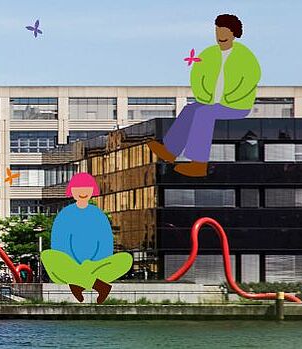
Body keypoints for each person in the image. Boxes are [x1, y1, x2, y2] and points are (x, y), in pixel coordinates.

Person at [147, 14, 260, 177]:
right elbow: (197, 76)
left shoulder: (244, 55)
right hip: (212, 102)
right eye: (217, 31)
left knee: (204, 114)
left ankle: (199, 163)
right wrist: (204, 96)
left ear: (234, 33)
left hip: (236, 105)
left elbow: (250, 79)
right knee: (190, 109)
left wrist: (230, 98)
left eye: (224, 31)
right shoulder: (209, 54)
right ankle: (170, 151)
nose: (220, 35)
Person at [41, 173, 133, 304]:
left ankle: (77, 283)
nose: (82, 192)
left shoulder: (98, 215)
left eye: (86, 189)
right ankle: (99, 285)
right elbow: (59, 246)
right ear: (72, 192)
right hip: (71, 264)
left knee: (125, 259)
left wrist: (89, 263)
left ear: (92, 191)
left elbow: (106, 246)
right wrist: (78, 263)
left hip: (95, 265)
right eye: (78, 189)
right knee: (48, 256)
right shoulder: (64, 215)